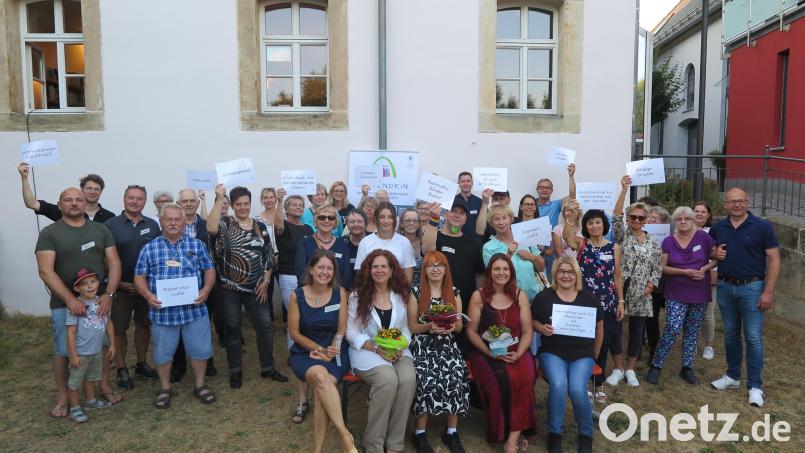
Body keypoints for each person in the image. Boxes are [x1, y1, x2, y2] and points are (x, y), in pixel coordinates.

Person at [35, 188, 123, 418]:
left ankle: (102, 386)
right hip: (63, 304)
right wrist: (69, 299)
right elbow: (45, 270)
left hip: (98, 302)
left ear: (85, 203)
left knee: (101, 346)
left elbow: (114, 263)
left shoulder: (101, 229)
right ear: (60, 204)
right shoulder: (49, 233)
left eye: (78, 200)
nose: (74, 204)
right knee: (64, 350)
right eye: (68, 200)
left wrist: (109, 295)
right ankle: (64, 397)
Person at [133, 203, 217, 408]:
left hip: (194, 310)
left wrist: (205, 290)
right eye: (168, 219)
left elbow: (209, 269)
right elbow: (139, 276)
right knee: (163, 353)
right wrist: (147, 295)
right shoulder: (149, 248)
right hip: (163, 314)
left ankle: (200, 385)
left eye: (176, 219)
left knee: (200, 350)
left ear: (183, 221)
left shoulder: (197, 245)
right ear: (160, 221)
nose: (172, 223)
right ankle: (165, 388)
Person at [207, 185, 287, 388]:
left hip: (256, 289)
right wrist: (218, 198)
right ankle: (235, 371)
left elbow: (268, 257)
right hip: (228, 288)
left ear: (251, 204)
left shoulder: (260, 226)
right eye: (238, 204)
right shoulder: (225, 224)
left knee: (265, 327)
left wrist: (266, 281)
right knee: (232, 328)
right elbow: (210, 228)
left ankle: (268, 368)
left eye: (246, 203)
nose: (243, 207)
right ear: (232, 205)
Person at [709, 188, 780, 407]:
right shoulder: (718, 227)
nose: (737, 205)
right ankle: (732, 376)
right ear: (726, 204)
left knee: (753, 337)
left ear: (747, 202)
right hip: (725, 286)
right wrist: (714, 254)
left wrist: (768, 291)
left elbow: (774, 260)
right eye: (732, 201)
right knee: (730, 334)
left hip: (753, 288)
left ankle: (755, 386)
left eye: (741, 201)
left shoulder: (762, 227)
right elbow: (710, 251)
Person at [346, 250, 416, 453]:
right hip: (367, 350)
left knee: (407, 379)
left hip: (398, 351)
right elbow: (350, 330)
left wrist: (400, 346)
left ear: (392, 269)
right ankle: (373, 445)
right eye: (374, 266)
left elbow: (406, 328)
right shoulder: (356, 296)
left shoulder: (402, 295)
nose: (379, 270)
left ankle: (395, 444)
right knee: (388, 379)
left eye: (384, 266)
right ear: (368, 270)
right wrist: (376, 348)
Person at [288, 250, 357, 453]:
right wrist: (319, 349)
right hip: (305, 352)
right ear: (311, 269)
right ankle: (346, 436)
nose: (325, 272)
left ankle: (318, 450)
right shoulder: (297, 295)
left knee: (321, 392)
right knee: (320, 375)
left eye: (329, 268)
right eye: (321, 267)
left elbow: (341, 329)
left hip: (335, 352)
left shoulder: (340, 293)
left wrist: (332, 348)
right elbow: (295, 334)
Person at [465, 254, 536, 451]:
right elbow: (471, 331)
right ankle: (503, 429)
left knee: (525, 376)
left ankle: (512, 439)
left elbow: (528, 330)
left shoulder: (519, 295)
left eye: (505, 269)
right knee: (501, 380)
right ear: (490, 273)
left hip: (517, 348)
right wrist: (489, 353)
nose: (501, 273)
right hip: (485, 351)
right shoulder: (479, 296)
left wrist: (520, 353)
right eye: (496, 269)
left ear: (511, 272)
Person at [532, 256, 603, 453]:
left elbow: (599, 328)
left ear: (577, 275)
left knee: (578, 388)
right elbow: (532, 321)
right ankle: (555, 434)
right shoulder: (544, 297)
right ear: (555, 274)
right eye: (562, 271)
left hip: (582, 354)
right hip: (553, 351)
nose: (566, 275)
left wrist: (593, 355)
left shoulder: (589, 298)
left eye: (570, 272)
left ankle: (586, 434)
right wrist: (541, 328)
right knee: (559, 385)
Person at [646, 207, 717, 386]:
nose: (683, 221)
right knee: (672, 327)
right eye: (679, 219)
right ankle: (656, 365)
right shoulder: (669, 241)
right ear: (675, 222)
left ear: (693, 221)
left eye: (687, 218)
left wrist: (705, 269)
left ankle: (687, 367)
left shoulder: (703, 238)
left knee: (692, 331)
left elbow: (717, 257)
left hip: (699, 292)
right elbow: (663, 267)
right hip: (676, 291)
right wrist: (684, 272)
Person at [407, 251, 469, 453]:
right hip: (423, 344)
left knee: (458, 372)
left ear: (445, 269)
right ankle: (420, 433)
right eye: (430, 265)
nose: (435, 269)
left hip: (447, 344)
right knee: (425, 377)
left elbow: (459, 326)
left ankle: (451, 431)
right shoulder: (415, 292)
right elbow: (412, 327)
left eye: (439, 265)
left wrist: (451, 327)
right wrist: (429, 327)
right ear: (424, 270)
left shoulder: (454, 292)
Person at [606, 176, 662, 388]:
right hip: (620, 288)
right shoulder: (622, 235)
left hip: (643, 292)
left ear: (646, 220)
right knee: (617, 329)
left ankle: (630, 369)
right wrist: (624, 189)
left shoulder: (653, 242)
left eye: (640, 218)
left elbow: (656, 268)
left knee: (638, 331)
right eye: (633, 217)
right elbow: (615, 216)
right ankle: (618, 368)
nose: (636, 221)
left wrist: (651, 285)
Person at [104, 185, 161, 389]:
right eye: (131, 198)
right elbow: (104, 259)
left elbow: (158, 256)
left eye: (139, 198)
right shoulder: (110, 225)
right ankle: (121, 368)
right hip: (121, 288)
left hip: (146, 289)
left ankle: (141, 363)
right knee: (119, 329)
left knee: (144, 325)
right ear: (124, 199)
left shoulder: (153, 225)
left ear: (145, 202)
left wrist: (147, 285)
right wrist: (118, 284)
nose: (135, 201)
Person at [565, 209, 623, 403]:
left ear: (604, 224)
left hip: (607, 303)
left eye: (598, 222)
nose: (594, 226)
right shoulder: (582, 244)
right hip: (584, 303)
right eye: (590, 223)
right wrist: (570, 218)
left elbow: (617, 276)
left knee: (603, 342)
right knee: (584, 343)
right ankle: (582, 382)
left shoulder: (614, 247)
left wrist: (620, 301)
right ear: (586, 227)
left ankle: (598, 383)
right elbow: (566, 235)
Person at [65, 268, 117, 423]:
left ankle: (90, 401)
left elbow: (109, 324)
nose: (89, 286)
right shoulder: (75, 306)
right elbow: (71, 333)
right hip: (80, 352)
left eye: (93, 282)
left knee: (91, 377)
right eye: (84, 284)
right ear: (77, 288)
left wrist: (113, 344)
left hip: (97, 351)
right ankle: (74, 408)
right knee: (75, 381)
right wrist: (73, 355)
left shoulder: (102, 302)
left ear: (98, 283)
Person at [172, 188, 212, 382]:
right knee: (177, 324)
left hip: (203, 284)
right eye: (184, 201)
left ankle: (207, 361)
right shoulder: (172, 225)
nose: (188, 203)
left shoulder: (206, 225)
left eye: (191, 201)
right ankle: (179, 365)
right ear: (179, 203)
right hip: (177, 287)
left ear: (197, 203)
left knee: (204, 324)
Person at [422, 200, 484, 318]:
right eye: (454, 211)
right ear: (445, 214)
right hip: (435, 303)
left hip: (466, 305)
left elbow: (479, 275)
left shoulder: (473, 244)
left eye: (461, 213)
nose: (457, 215)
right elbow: (427, 251)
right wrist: (434, 218)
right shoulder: (435, 236)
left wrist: (480, 300)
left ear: (466, 218)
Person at [482, 206, 544, 301]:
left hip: (535, 298)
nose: (501, 222)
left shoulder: (525, 237)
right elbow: (491, 275)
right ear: (491, 223)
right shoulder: (488, 247)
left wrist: (532, 257)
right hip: (508, 301)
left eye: (504, 218)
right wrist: (508, 255)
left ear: (511, 219)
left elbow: (541, 267)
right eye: (496, 219)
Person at [19, 164, 115, 222]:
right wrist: (24, 178)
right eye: (89, 188)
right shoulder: (65, 211)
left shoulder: (110, 217)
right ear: (81, 189)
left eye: (96, 189)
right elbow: (31, 203)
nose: (93, 192)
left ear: (101, 191)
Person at [274, 189, 315, 323]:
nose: (298, 207)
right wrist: (279, 201)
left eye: (301, 205)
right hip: (289, 276)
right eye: (294, 204)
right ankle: (294, 343)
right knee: (294, 315)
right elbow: (278, 222)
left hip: (307, 277)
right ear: (286, 208)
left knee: (307, 314)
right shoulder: (283, 225)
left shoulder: (308, 229)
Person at [354, 201, 416, 283]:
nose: (386, 221)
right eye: (382, 217)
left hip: (397, 292)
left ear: (394, 220)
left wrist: (403, 293)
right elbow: (361, 274)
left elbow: (408, 275)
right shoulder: (365, 242)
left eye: (390, 217)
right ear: (376, 219)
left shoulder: (404, 242)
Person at [295, 204, 352, 290]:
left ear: (335, 222)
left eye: (331, 218)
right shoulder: (305, 243)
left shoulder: (342, 244)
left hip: (336, 296)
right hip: (311, 294)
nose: (326, 220)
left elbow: (346, 275)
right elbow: (301, 272)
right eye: (322, 217)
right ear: (315, 221)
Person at [536, 164, 577, 281]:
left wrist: (571, 176)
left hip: (550, 250)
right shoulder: (530, 204)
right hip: (533, 249)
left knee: (550, 281)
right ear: (537, 190)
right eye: (541, 187)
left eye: (547, 188)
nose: (544, 189)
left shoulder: (556, 204)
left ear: (551, 190)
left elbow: (572, 196)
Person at [645, 205, 669, 363]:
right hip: (642, 282)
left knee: (655, 318)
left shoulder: (667, 238)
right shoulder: (640, 234)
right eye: (650, 216)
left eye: (657, 217)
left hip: (660, 283)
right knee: (644, 318)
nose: (653, 219)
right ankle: (643, 347)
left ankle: (655, 350)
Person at [693, 201, 717, 360]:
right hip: (688, 277)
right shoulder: (686, 230)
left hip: (709, 277)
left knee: (707, 313)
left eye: (703, 211)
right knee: (691, 314)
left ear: (708, 215)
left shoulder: (713, 232)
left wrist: (712, 273)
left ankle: (708, 345)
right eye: (696, 211)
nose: (699, 214)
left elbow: (717, 255)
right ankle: (691, 342)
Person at [256, 187, 280, 320]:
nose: (269, 200)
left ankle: (288, 321)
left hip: (283, 257)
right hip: (266, 259)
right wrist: (269, 255)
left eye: (271, 197)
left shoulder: (283, 215)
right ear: (262, 200)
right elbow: (259, 242)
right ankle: (268, 320)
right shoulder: (257, 219)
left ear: (276, 199)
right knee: (267, 290)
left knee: (287, 289)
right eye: (265, 197)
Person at [453, 171, 482, 241]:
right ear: (458, 184)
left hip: (475, 241)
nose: (465, 183)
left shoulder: (480, 202)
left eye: (468, 181)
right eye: (463, 181)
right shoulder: (452, 201)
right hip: (456, 240)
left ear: (472, 183)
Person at [398, 208, 424, 287]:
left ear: (419, 224)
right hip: (399, 289)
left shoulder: (424, 243)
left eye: (415, 221)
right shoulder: (395, 243)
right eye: (407, 220)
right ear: (402, 224)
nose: (411, 223)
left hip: (421, 291)